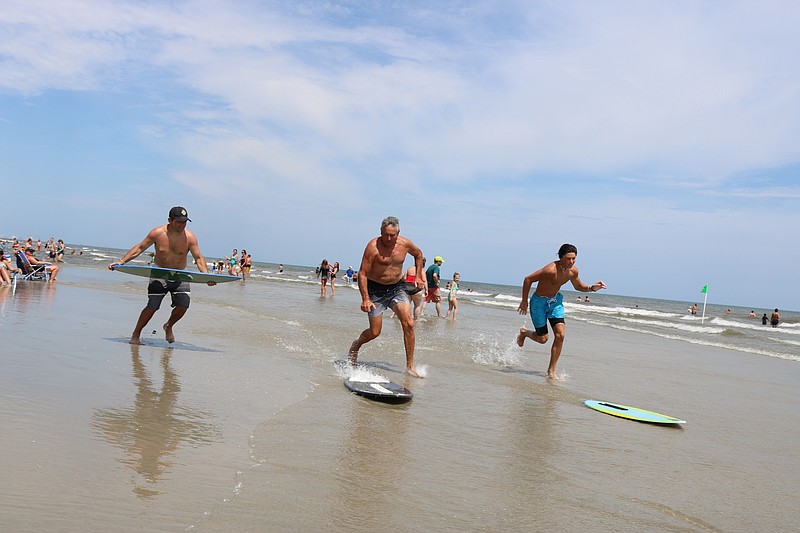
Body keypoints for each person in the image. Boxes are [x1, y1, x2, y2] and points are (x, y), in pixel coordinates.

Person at [108, 206, 215, 345]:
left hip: (179, 274)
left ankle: (169, 325)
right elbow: (140, 248)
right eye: (179, 221)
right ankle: (136, 334)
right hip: (159, 273)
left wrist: (205, 276)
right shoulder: (157, 233)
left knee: (183, 305)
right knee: (152, 306)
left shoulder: (189, 237)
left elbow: (198, 257)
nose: (182, 225)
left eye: (185, 222)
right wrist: (121, 261)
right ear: (170, 220)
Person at [348, 216, 425, 378]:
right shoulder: (372, 247)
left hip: (397, 288)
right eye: (385, 235)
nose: (388, 239)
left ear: (398, 233)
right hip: (375, 290)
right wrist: (365, 298)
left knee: (409, 323)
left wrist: (418, 276)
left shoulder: (405, 244)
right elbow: (362, 273)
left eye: (392, 235)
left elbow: (418, 254)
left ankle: (410, 366)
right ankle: (356, 345)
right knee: (375, 332)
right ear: (380, 232)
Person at [516, 243, 606, 379]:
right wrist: (524, 301)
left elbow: (579, 286)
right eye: (568, 258)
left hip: (555, 302)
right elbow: (528, 279)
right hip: (538, 303)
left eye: (574, 258)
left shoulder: (573, 271)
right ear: (561, 257)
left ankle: (551, 371)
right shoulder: (550, 270)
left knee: (560, 335)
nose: (571, 262)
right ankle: (524, 333)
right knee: (543, 339)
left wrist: (592, 288)